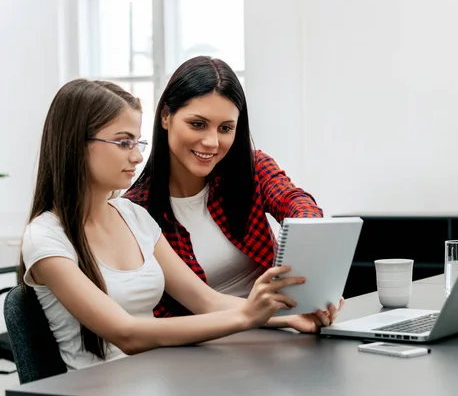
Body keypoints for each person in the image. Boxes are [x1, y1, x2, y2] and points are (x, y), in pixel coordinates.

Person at [19, 79, 340, 371]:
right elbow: (126, 333)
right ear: (76, 143)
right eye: (123, 143)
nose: (135, 157)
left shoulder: (133, 216)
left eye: (138, 143)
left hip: (163, 376)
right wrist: (246, 316)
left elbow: (207, 301)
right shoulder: (45, 237)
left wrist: (288, 316)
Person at [124, 56, 333, 323]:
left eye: (225, 128)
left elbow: (295, 201)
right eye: (197, 124)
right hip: (205, 346)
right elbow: (188, 310)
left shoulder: (252, 168)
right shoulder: (137, 210)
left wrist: (313, 285)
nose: (212, 142)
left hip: (281, 330)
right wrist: (286, 315)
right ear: (166, 116)